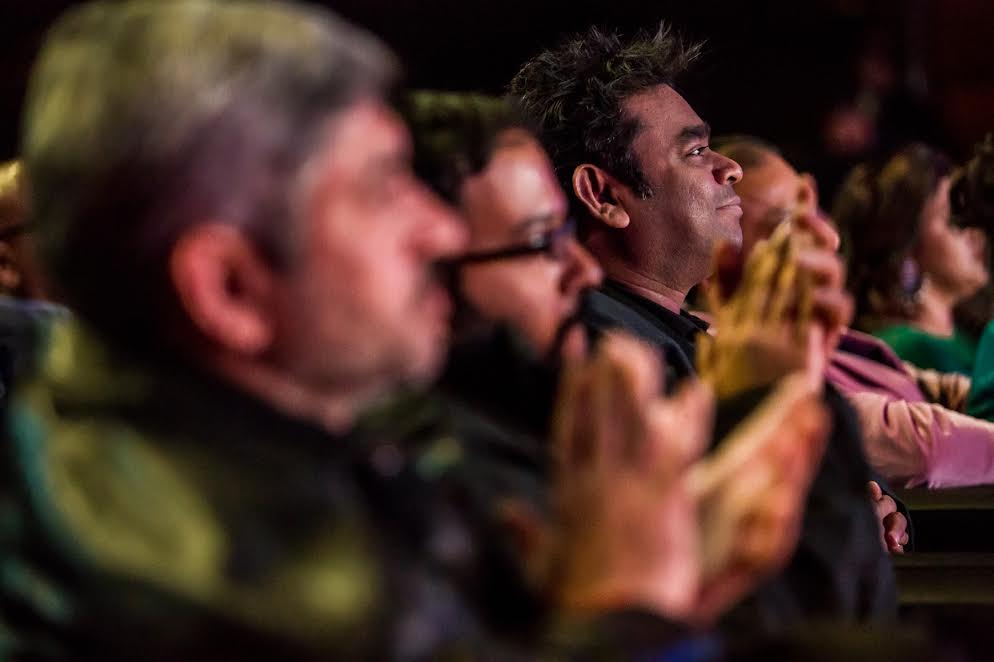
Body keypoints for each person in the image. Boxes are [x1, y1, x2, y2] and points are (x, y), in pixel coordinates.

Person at [0, 2, 829, 659]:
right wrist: (626, 616)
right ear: (230, 290)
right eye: (379, 188)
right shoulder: (254, 608)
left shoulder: (285, 450)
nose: (439, 231)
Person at [510, 23, 897, 627]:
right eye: (694, 152)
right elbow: (770, 589)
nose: (730, 168)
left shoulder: (687, 332)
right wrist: (797, 424)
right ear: (603, 195)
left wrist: (871, 500)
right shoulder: (613, 361)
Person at [719, 134, 994, 493]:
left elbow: (950, 393)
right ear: (719, 267)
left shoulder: (849, 345)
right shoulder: (740, 362)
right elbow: (918, 443)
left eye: (815, 213)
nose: (828, 237)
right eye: (785, 225)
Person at [834, 144, 989, 375]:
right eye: (952, 219)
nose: (974, 233)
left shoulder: (964, 339)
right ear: (906, 246)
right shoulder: (909, 347)